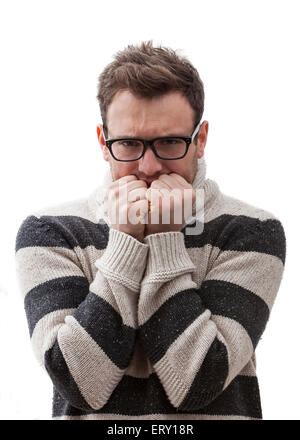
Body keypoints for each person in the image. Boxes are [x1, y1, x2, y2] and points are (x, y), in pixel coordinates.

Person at [15, 41, 286, 420]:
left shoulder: (251, 230)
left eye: (169, 142)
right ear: (103, 143)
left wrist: (164, 239)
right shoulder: (52, 232)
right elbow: (80, 385)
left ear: (200, 139)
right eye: (128, 143)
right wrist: (125, 242)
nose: (149, 166)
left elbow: (197, 383)